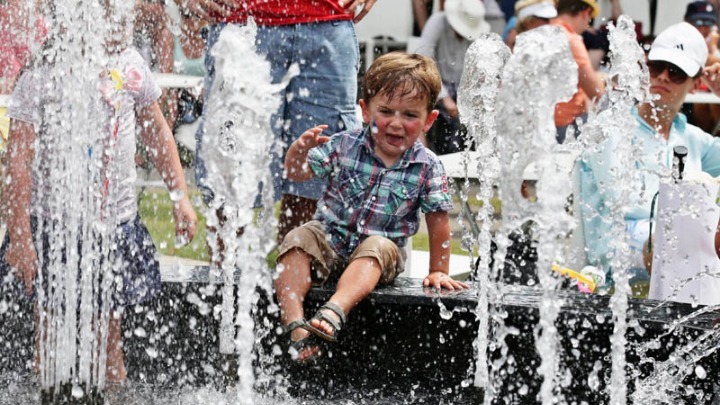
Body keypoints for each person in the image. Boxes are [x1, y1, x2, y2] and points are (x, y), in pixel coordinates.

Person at [1, 2, 197, 382]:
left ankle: (112, 392)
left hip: (113, 226)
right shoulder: (41, 76)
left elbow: (157, 135)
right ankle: (49, 392)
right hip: (52, 226)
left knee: (109, 340)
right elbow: (18, 163)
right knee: (49, 334)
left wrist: (180, 198)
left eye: (123, 13)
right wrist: (21, 236)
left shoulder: (130, 65)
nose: (122, 22)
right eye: (111, 12)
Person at [275, 52, 469, 362]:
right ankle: (295, 325)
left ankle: (335, 309)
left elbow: (438, 220)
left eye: (409, 115)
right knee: (298, 237)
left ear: (428, 120)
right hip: (330, 242)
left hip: (379, 258)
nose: (396, 122)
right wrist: (298, 152)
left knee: (376, 245)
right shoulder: (344, 144)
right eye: (386, 111)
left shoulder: (427, 166)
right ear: (365, 111)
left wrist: (438, 271)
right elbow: (297, 174)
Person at [177, 0, 376, 247]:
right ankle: (223, 283)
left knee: (315, 178)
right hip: (243, 26)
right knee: (231, 183)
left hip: (328, 24)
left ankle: (294, 281)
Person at [578, 22, 720, 287]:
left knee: (684, 234)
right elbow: (629, 208)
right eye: (657, 67)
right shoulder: (610, 127)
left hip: (673, 248)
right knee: (677, 234)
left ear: (695, 83)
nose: (663, 77)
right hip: (617, 256)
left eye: (677, 72)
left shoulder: (692, 138)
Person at [416, 0, 490, 154]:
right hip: (435, 85)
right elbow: (424, 60)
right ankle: (423, 155)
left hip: (463, 88)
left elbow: (482, 67)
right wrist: (444, 97)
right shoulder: (437, 22)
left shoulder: (477, 33)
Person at [550, 0, 605, 143]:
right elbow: (596, 93)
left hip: (543, 126)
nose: (588, 24)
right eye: (590, 19)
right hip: (564, 128)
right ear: (585, 13)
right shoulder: (571, 40)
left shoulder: (542, 33)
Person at [684, 1, 720, 134]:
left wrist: (714, 49)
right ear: (687, 23)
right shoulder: (678, 46)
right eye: (698, 23)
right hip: (683, 111)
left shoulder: (715, 50)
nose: (703, 29)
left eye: (708, 24)